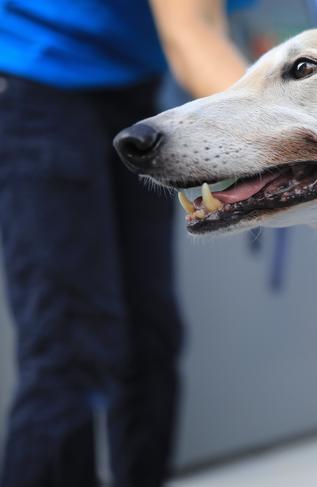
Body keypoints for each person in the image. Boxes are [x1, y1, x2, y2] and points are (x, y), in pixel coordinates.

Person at [0, 1, 251, 485]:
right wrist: (289, 149)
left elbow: (209, 24)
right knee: (71, 344)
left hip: (134, 87)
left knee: (149, 337)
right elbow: (191, 32)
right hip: (35, 80)